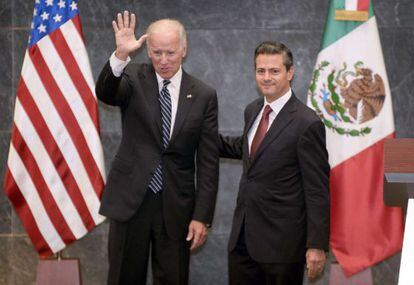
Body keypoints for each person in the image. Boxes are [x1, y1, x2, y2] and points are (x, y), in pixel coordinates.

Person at [96, 11, 219, 285]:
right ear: (148, 50)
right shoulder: (130, 76)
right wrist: (119, 55)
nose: (163, 60)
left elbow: (209, 162)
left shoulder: (203, 95)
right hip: (131, 201)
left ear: (184, 50)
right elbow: (105, 92)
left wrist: (202, 216)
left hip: (176, 206)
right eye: (156, 52)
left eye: (171, 53)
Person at [219, 41, 330, 285]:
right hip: (243, 240)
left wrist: (317, 245)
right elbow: (251, 151)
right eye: (261, 71)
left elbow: (317, 191)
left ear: (290, 73)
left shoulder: (306, 123)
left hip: (282, 247)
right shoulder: (253, 110)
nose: (266, 77)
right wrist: (203, 138)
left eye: (274, 71)